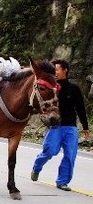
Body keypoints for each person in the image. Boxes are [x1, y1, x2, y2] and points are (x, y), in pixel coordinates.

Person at [31, 58, 89, 191]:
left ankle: (62, 181)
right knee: (50, 151)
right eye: (53, 70)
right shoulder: (50, 88)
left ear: (65, 70)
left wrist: (85, 126)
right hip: (55, 126)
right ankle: (37, 166)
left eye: (57, 69)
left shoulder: (73, 89)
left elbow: (80, 108)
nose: (55, 72)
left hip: (70, 127)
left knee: (70, 155)